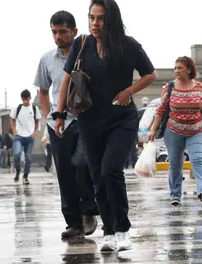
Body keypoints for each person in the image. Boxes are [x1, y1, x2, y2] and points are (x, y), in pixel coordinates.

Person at [55, 0, 157, 251]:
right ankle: (109, 231)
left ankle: (123, 229)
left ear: (111, 19)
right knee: (98, 176)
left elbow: (150, 75)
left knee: (111, 170)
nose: (95, 23)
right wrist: (58, 115)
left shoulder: (128, 45)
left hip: (122, 119)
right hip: (90, 120)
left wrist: (129, 91)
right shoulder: (82, 44)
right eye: (91, 17)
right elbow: (66, 80)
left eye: (100, 18)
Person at [36, 10, 99, 239]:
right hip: (59, 123)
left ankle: (89, 211)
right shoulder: (46, 60)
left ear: (74, 30)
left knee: (82, 163)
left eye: (63, 31)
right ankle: (73, 222)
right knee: (64, 172)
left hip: (85, 119)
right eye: (54, 31)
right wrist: (48, 117)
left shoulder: (89, 54)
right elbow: (43, 92)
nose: (58, 36)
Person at [148, 56, 202, 206]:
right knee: (175, 163)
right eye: (175, 68)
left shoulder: (199, 87)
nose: (176, 71)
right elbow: (160, 110)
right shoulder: (170, 87)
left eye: (180, 68)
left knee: (198, 160)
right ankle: (175, 195)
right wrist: (153, 129)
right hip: (173, 130)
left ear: (189, 69)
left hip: (196, 130)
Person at [11, 89, 41, 184]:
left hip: (29, 137)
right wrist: (14, 130)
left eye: (27, 99)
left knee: (28, 158)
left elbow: (37, 121)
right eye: (23, 99)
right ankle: (18, 170)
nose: (25, 101)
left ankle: (25, 176)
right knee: (17, 153)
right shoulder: (17, 108)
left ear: (30, 98)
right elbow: (12, 119)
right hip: (18, 136)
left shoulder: (34, 109)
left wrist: (35, 131)